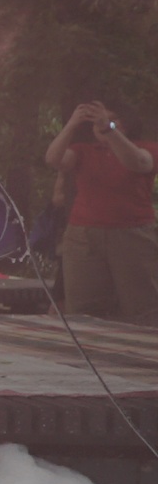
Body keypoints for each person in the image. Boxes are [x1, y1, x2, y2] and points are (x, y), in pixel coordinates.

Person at [45, 99, 157, 324]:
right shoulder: (83, 151)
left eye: (112, 119)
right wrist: (72, 124)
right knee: (83, 309)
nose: (100, 123)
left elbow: (138, 163)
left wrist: (109, 129)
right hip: (83, 235)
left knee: (142, 305)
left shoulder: (146, 148)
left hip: (132, 234)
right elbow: (53, 159)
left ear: (126, 124)